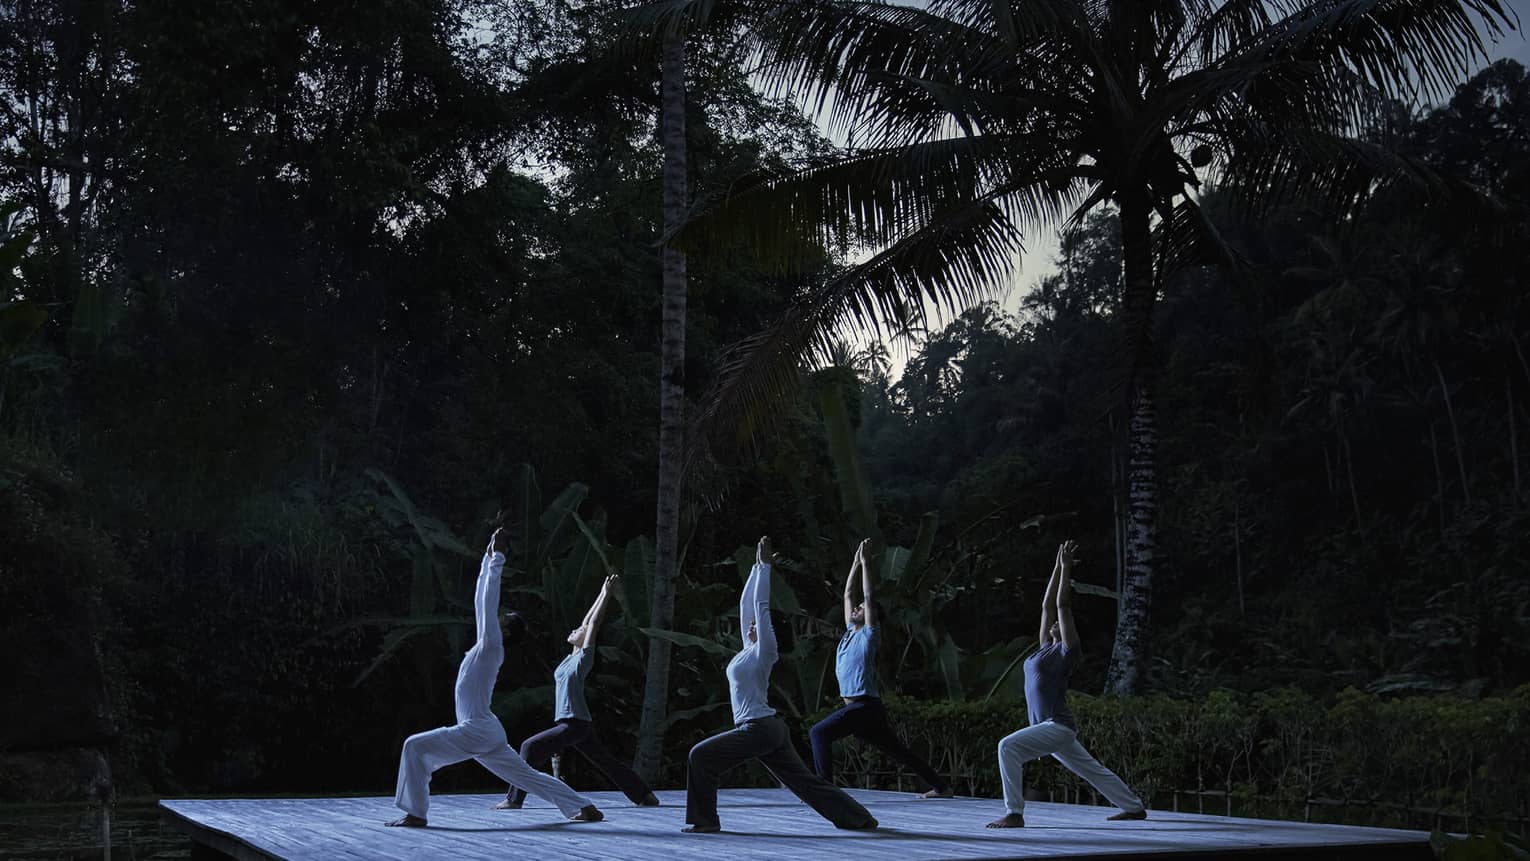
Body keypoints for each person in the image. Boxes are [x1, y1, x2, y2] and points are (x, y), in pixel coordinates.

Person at [387, 527, 604, 827]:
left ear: (507, 631)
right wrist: (487, 558)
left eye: (502, 619)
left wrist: (499, 557)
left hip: (476, 730)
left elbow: (488, 602)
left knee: (414, 746)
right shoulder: (485, 645)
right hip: (486, 731)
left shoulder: (492, 647)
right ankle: (584, 806)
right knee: (528, 777)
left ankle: (415, 813)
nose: (496, 617)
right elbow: (481, 603)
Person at [682, 536, 879, 834]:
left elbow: (760, 606)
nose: (749, 625)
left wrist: (767, 570)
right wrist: (756, 566)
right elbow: (745, 604)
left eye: (756, 626)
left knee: (700, 756)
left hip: (758, 728)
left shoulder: (765, 652)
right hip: (768, 729)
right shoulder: (747, 651)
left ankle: (705, 821)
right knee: (805, 783)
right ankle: (859, 818)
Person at [986, 540, 1147, 828]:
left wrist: (1068, 569)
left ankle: (1014, 813)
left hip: (1055, 725)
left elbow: (1061, 604)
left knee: (1006, 747)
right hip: (1052, 728)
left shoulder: (1066, 651)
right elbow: (1047, 604)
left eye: (1059, 623)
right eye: (1053, 623)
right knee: (1091, 769)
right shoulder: (1044, 648)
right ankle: (1133, 807)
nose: (1054, 623)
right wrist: (1057, 568)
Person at [496, 573, 661, 809]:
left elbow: (592, 623)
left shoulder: (584, 658)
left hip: (574, 724)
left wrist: (607, 595)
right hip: (575, 723)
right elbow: (586, 621)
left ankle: (514, 800)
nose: (576, 629)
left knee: (529, 748)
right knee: (606, 762)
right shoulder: (568, 660)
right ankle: (644, 796)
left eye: (579, 631)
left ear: (586, 641)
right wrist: (601, 594)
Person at [809, 539, 953, 798]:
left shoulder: (869, 635)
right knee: (898, 751)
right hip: (863, 710)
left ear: (871, 616)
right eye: (857, 608)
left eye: (862, 609)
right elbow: (847, 595)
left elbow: (867, 596)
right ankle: (942, 787)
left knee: (819, 733)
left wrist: (865, 564)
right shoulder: (849, 633)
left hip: (863, 706)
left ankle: (825, 792)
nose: (856, 608)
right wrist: (854, 563)